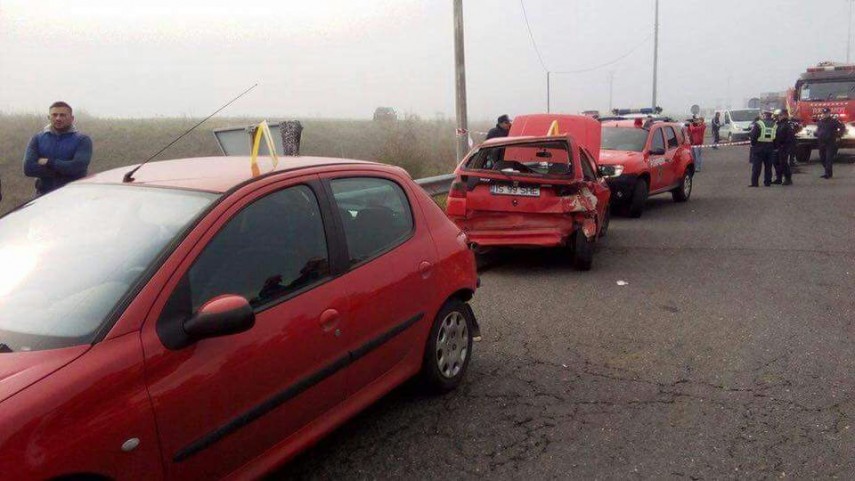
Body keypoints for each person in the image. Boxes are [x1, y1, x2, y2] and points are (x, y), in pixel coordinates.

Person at [23, 101, 92, 196]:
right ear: (49, 117)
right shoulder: (37, 138)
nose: (58, 118)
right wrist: (65, 171)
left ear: (72, 118)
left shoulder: (82, 140)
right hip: (42, 197)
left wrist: (49, 162)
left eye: (62, 115)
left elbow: (77, 168)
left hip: (73, 196)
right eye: (54, 115)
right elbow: (28, 168)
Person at [814, 108, 845, 179]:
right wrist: (816, 133)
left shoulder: (833, 121)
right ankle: (828, 172)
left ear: (829, 113)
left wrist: (839, 135)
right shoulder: (820, 122)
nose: (824, 114)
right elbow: (818, 130)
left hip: (830, 142)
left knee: (828, 158)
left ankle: (827, 173)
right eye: (823, 113)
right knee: (822, 158)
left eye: (826, 113)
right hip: (821, 142)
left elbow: (842, 127)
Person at [749, 110, 776, 187]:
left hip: (759, 147)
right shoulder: (774, 125)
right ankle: (767, 182)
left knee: (757, 166)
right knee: (768, 167)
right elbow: (776, 137)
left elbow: (753, 136)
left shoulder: (759, 124)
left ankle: (755, 183)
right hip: (770, 148)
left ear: (764, 115)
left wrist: (753, 144)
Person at [773, 109, 795, 185]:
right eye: (778, 115)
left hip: (784, 147)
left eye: (780, 115)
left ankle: (788, 179)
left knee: (784, 163)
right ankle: (778, 178)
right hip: (777, 147)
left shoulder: (788, 124)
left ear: (785, 115)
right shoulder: (778, 124)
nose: (779, 117)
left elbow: (790, 137)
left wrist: (785, 145)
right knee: (776, 162)